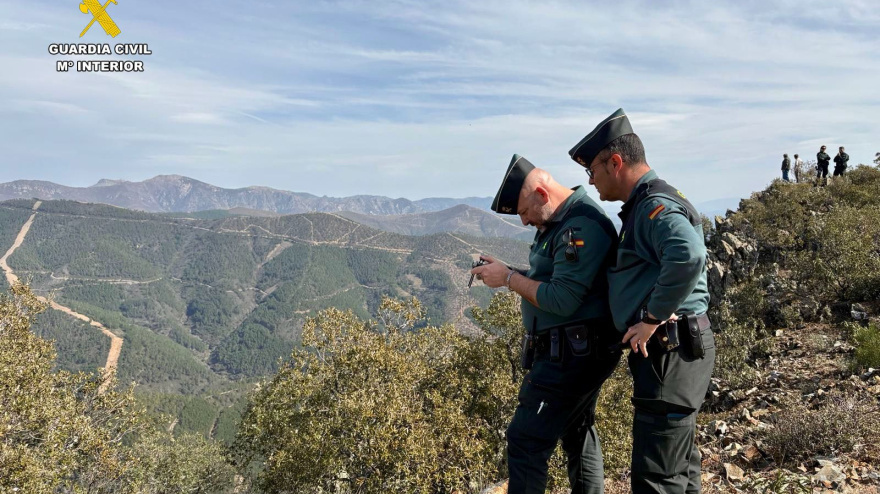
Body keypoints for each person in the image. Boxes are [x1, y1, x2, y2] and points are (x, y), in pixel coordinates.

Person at [568, 109, 716, 494]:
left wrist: (651, 318)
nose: (590, 181)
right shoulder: (649, 202)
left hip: (669, 354)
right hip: (678, 353)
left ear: (615, 162)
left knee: (656, 478)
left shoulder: (653, 206)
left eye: (592, 171)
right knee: (678, 469)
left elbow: (688, 255)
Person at [472, 155, 621, 494]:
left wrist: (508, 278)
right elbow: (553, 277)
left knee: (525, 440)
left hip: (571, 355)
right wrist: (508, 271)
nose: (524, 221)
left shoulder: (580, 226)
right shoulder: (560, 223)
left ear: (541, 193)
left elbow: (561, 299)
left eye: (525, 211)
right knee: (577, 430)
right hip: (574, 349)